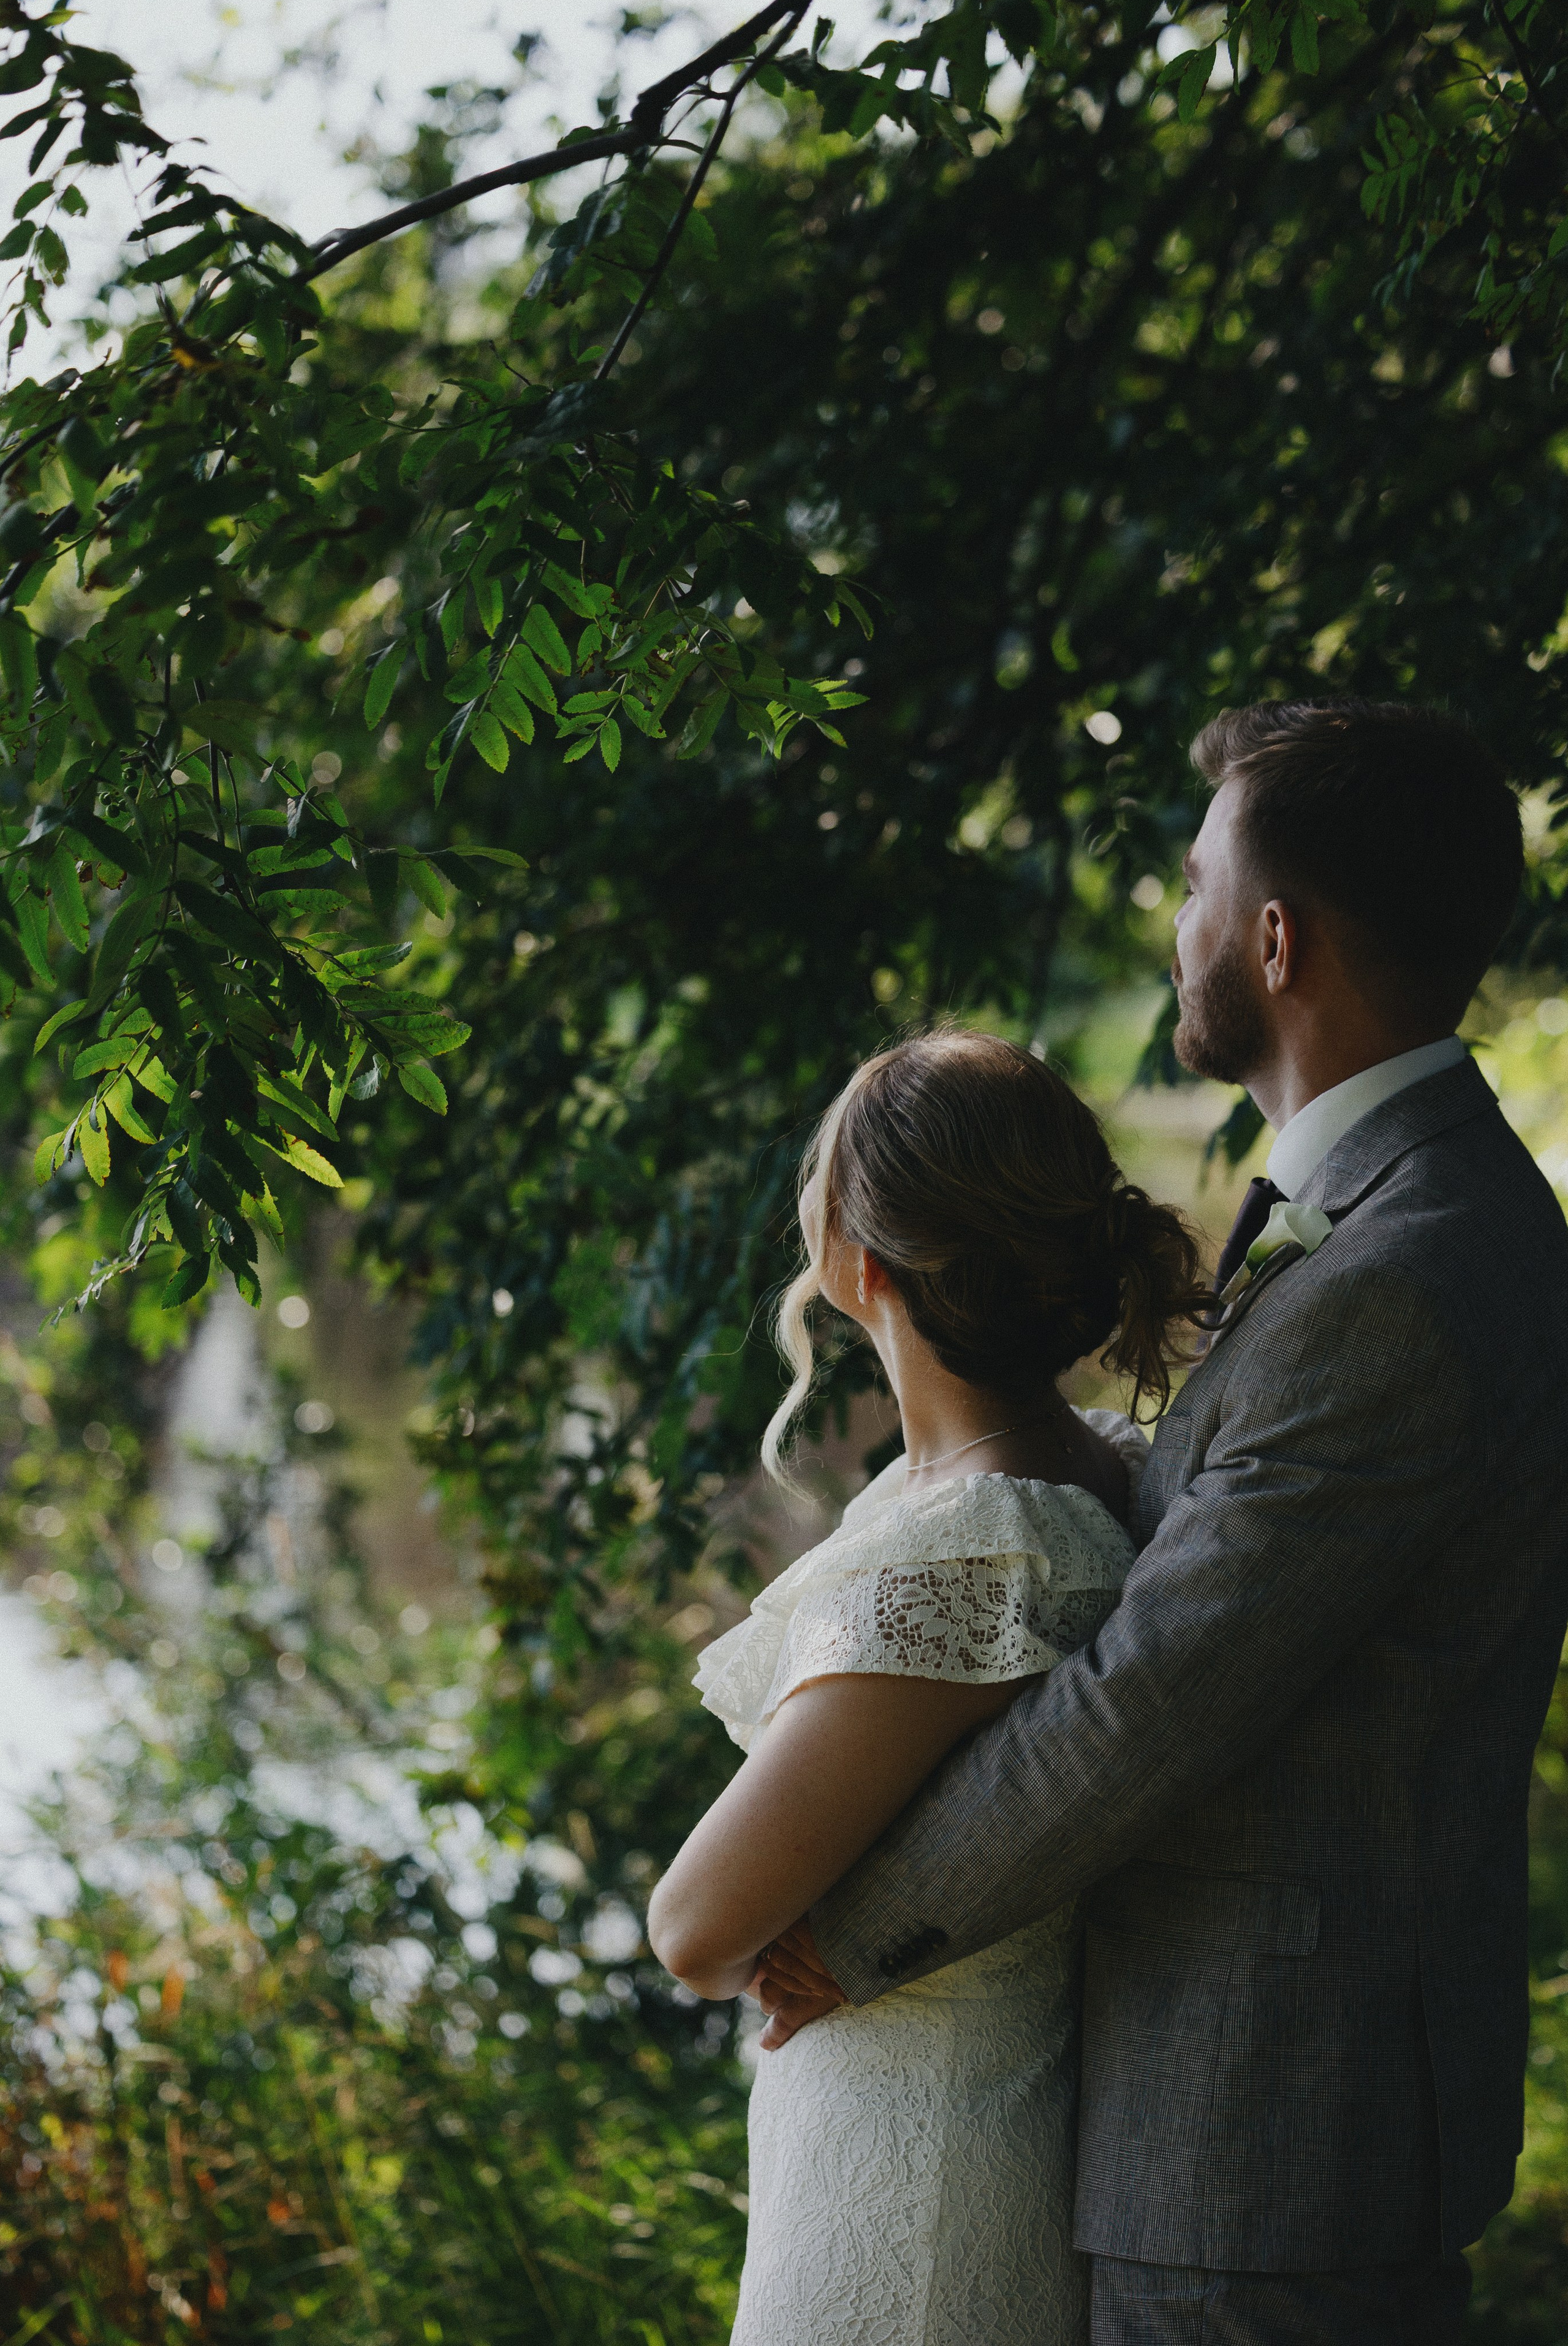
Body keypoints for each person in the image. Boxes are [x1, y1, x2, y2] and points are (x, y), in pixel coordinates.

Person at [758, 697, 1568, 2345]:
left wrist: (853, 1924)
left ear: (1274, 939)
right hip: (1279, 2120)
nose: (1175, 922)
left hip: (1264, 2132)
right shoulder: (1412, 1209)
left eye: (1195, 886)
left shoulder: (1404, 1274)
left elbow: (1151, 1694)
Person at [648, 1027, 1210, 2344]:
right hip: (951, 2132)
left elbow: (692, 1927)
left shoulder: (973, 1544)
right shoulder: (1097, 1472)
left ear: (856, 1269)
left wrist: (783, 1920)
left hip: (911, 2183)